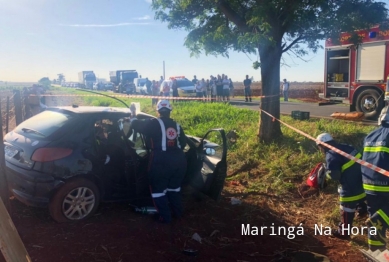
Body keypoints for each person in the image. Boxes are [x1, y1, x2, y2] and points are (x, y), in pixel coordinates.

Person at [129, 100, 187, 223]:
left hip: (161, 161)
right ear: (170, 111)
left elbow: (134, 125)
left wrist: (133, 114)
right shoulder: (177, 125)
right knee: (174, 189)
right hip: (179, 161)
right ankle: (178, 213)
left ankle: (165, 218)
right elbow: (184, 143)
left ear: (158, 111)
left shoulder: (154, 123)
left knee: (158, 191)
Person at [316, 133, 367, 239]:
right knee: (360, 197)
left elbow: (335, 176)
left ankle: (344, 232)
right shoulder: (346, 146)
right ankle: (362, 209)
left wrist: (326, 173)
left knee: (346, 208)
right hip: (363, 181)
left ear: (322, 145)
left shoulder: (331, 155)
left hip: (349, 186)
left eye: (320, 147)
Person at [361, 105, 389, 251]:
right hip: (386, 184)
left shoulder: (370, 136)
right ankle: (381, 218)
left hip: (369, 184)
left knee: (374, 221)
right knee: (381, 217)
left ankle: (376, 252)